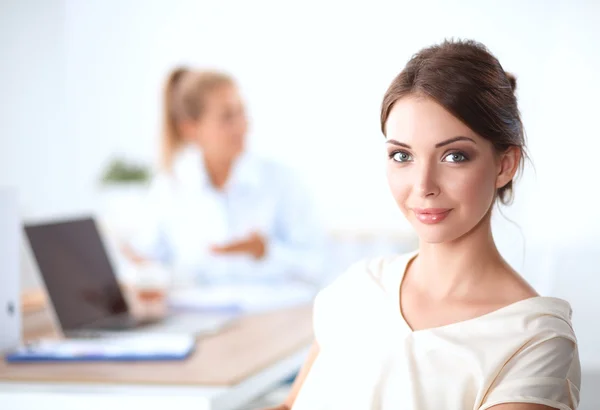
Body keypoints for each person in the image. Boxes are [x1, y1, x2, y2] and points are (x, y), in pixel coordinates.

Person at [266, 39, 580, 410]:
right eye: (402, 156)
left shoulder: (533, 340)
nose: (423, 186)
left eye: (454, 156)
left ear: (504, 165)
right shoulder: (357, 289)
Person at [125, 67, 324, 285]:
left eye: (242, 113)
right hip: (199, 315)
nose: (243, 126)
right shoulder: (170, 187)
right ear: (190, 129)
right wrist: (135, 264)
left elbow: (317, 268)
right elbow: (150, 261)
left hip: (275, 313)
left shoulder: (282, 181)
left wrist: (265, 252)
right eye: (227, 117)